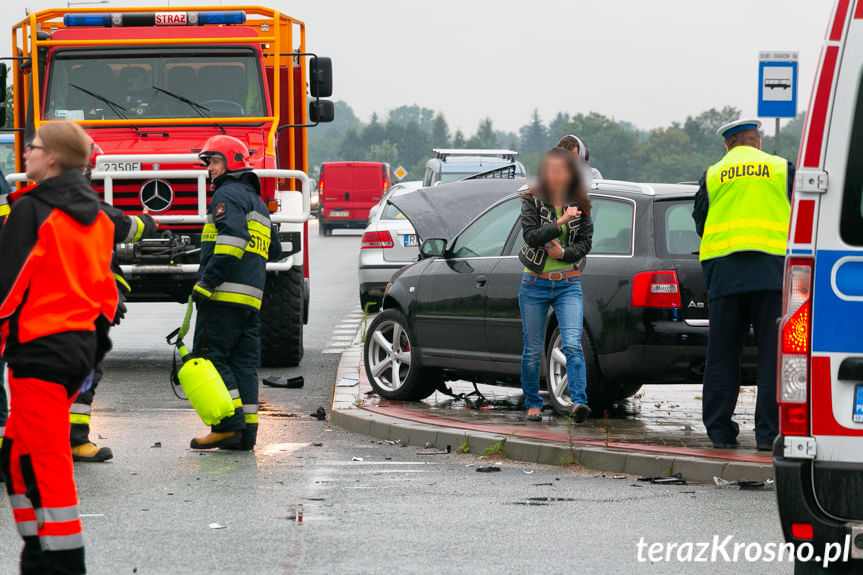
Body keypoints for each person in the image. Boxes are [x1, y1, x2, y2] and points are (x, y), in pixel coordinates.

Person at [0, 120, 118, 574]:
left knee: (42, 459)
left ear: (52, 157)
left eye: (31, 147)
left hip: (38, 349)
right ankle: (38, 552)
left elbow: (6, 288)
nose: (24, 153)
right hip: (74, 350)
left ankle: (62, 563)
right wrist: (93, 346)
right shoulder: (94, 213)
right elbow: (106, 292)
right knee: (16, 455)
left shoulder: (33, 211)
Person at [692, 118, 793, 451]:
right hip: (772, 271)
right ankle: (769, 435)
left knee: (722, 355)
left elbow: (701, 221)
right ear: (758, 142)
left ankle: (720, 433)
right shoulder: (782, 169)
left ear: (728, 146)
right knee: (771, 356)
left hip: (725, 273)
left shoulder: (713, 174)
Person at [190, 135, 281, 451]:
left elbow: (232, 242)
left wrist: (207, 282)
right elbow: (276, 248)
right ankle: (246, 434)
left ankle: (228, 426)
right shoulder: (258, 203)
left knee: (210, 358)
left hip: (223, 297)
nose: (210, 169)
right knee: (243, 365)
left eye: (213, 162)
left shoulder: (226, 195)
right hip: (250, 301)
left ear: (231, 163)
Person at [69, 138, 156, 462]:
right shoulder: (77, 202)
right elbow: (121, 227)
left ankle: (57, 439)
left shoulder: (37, 201)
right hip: (75, 307)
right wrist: (148, 223)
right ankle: (73, 439)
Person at [519, 147, 594, 422]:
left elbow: (585, 243)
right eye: (549, 169)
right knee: (533, 349)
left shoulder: (581, 202)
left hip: (568, 284)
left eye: (560, 170)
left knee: (572, 344)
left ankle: (578, 403)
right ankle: (532, 402)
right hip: (534, 283)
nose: (554, 175)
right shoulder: (531, 200)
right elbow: (530, 236)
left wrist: (563, 254)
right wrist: (560, 222)